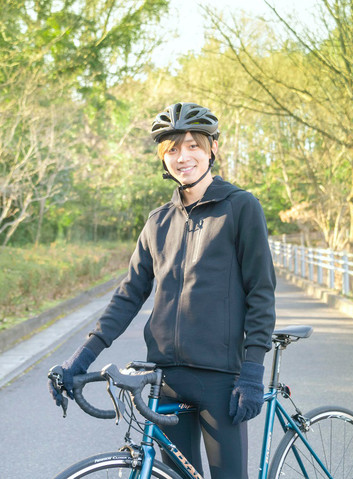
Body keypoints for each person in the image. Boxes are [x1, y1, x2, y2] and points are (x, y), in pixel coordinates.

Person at [49, 101, 276, 478]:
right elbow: (128, 295)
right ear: (164, 158)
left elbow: (261, 294)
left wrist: (252, 371)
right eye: (173, 149)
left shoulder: (240, 208)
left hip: (221, 378)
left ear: (212, 149)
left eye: (193, 146)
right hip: (165, 378)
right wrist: (80, 358)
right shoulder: (158, 222)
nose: (183, 157)